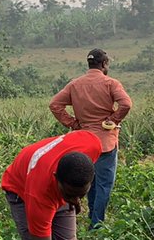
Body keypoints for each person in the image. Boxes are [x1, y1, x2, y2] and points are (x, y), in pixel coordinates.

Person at [49, 48, 132, 228]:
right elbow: (126, 104)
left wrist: (73, 123)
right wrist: (113, 119)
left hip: (82, 142)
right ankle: (96, 224)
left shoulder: (75, 84)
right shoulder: (111, 83)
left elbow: (54, 104)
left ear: (89, 64)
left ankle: (90, 219)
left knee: (90, 181)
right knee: (104, 185)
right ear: (104, 64)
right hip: (106, 143)